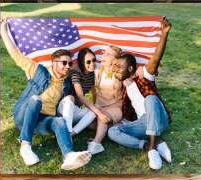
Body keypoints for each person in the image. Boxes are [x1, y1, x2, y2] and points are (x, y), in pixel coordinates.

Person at [0, 18, 91, 170]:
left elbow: (71, 104)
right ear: (53, 62)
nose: (67, 66)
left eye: (69, 63)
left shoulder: (67, 83)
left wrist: (71, 98)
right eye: (64, 63)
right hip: (24, 115)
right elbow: (15, 54)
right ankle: (25, 147)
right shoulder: (39, 70)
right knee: (36, 100)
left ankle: (69, 156)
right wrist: (3, 30)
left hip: (42, 121)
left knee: (60, 122)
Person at [108, 17, 172, 170]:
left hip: (159, 118)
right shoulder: (123, 85)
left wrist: (164, 35)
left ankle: (151, 150)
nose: (115, 69)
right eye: (114, 66)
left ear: (130, 69)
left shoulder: (143, 75)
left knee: (150, 99)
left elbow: (156, 58)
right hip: (143, 123)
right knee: (112, 131)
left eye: (118, 66)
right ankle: (151, 144)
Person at [57, 48, 111, 138]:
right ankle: (67, 131)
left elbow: (94, 92)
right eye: (88, 62)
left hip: (75, 111)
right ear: (82, 62)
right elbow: (81, 96)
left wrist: (97, 110)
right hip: (64, 109)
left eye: (94, 60)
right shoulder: (76, 73)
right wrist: (99, 114)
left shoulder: (91, 74)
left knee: (95, 109)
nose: (92, 64)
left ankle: (72, 133)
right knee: (70, 98)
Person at [86, 45, 124, 154]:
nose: (103, 55)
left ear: (115, 60)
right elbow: (94, 92)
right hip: (100, 106)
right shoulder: (98, 72)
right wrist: (95, 106)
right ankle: (113, 125)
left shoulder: (119, 74)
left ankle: (96, 143)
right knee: (90, 124)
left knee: (103, 117)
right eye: (103, 53)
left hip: (115, 107)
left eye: (107, 54)